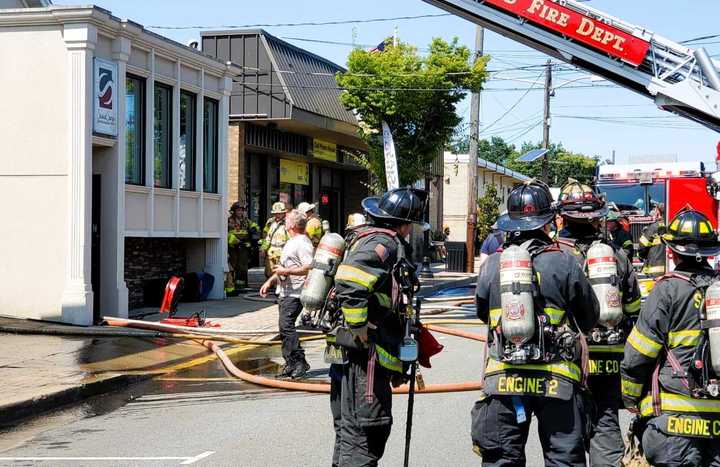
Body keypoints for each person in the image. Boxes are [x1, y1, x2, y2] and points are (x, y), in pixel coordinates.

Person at [472, 179, 600, 467]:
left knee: (501, 459)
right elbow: (590, 316)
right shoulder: (566, 262)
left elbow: (483, 314)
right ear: (548, 222)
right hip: (556, 383)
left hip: (504, 380)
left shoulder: (493, 265)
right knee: (564, 460)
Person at [332, 188, 428, 467]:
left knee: (350, 434)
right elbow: (350, 281)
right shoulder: (383, 244)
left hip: (360, 359)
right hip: (366, 360)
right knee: (366, 433)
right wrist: (359, 325)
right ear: (405, 223)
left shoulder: (368, 238)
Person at [621, 208, 720, 466]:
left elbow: (638, 353)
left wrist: (630, 397)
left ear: (672, 250)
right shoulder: (717, 289)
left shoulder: (666, 290)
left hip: (672, 428)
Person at [557, 179, 641, 467]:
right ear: (598, 216)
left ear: (562, 216)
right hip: (610, 361)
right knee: (605, 424)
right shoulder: (616, 256)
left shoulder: (554, 255)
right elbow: (633, 308)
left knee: (565, 437)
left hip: (568, 361)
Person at [259, 209, 314, 379]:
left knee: (286, 325)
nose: (285, 221)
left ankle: (299, 362)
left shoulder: (303, 243)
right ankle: (290, 363)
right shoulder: (292, 242)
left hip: (296, 293)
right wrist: (270, 281)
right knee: (284, 327)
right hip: (284, 291)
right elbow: (284, 267)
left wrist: (286, 271)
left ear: (292, 224)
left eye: (287, 219)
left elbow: (308, 267)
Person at [227, 201, 260, 292]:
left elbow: (255, 226)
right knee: (233, 265)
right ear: (234, 211)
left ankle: (241, 285)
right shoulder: (229, 221)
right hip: (233, 247)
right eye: (238, 210)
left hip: (244, 247)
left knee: (243, 266)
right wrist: (237, 241)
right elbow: (228, 234)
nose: (240, 212)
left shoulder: (246, 221)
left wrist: (254, 229)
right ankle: (232, 285)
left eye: (242, 210)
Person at [261, 202, 289, 278]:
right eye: (275, 213)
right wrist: (263, 248)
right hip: (271, 250)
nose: (277, 215)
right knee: (269, 272)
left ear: (284, 213)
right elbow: (266, 236)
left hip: (283, 250)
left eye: (280, 213)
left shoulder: (289, 222)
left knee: (281, 273)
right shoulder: (270, 222)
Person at [638, 202, 666, 278]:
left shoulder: (654, 227)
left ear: (658, 212)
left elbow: (642, 247)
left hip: (655, 272)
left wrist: (641, 256)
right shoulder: (675, 225)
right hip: (672, 270)